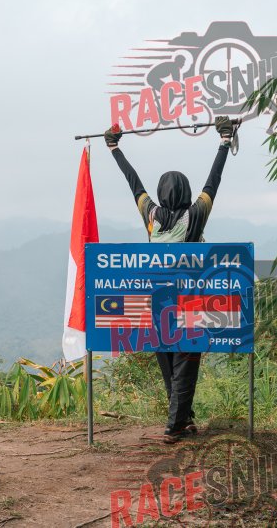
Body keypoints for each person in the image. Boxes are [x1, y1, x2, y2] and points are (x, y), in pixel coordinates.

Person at [104, 116, 234, 444]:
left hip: (156, 302)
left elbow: (134, 183)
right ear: (187, 192)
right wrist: (224, 140)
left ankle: (183, 419)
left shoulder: (151, 215)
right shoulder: (196, 215)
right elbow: (213, 181)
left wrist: (114, 148)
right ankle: (174, 426)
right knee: (186, 363)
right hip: (189, 301)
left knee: (169, 363)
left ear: (161, 193)